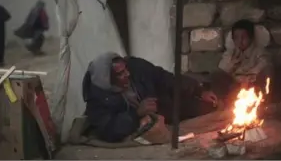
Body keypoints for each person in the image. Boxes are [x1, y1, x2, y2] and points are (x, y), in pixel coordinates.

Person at [82, 52, 218, 143]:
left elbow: (165, 78)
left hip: (164, 105)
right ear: (108, 79)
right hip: (139, 123)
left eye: (126, 69)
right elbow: (109, 130)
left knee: (210, 107)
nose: (128, 74)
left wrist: (198, 90)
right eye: (120, 74)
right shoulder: (97, 99)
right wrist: (136, 113)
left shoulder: (136, 66)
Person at [211, 19, 272, 104]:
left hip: (253, 85)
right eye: (236, 38)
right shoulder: (230, 54)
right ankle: (223, 105)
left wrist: (247, 78)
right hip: (235, 87)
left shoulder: (259, 52)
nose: (240, 41)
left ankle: (262, 104)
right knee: (216, 75)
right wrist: (232, 64)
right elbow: (222, 70)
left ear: (250, 38)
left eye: (244, 37)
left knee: (268, 71)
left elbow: (263, 67)